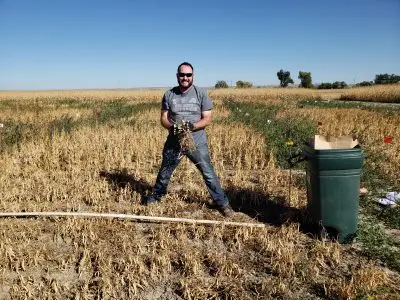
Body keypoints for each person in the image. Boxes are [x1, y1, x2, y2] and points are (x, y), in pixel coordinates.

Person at [144, 62, 233, 217]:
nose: (185, 78)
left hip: (196, 142)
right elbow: (164, 118)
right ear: (177, 76)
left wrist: (190, 127)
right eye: (182, 75)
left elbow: (207, 119)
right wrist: (173, 128)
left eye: (188, 75)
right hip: (174, 141)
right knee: (165, 171)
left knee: (208, 173)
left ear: (193, 76)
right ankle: (157, 196)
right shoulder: (169, 94)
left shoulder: (201, 94)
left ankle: (223, 204)